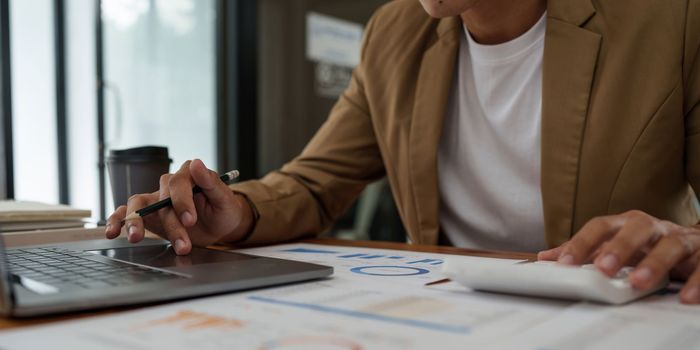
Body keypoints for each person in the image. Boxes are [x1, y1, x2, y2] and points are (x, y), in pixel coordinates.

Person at [105, 0, 700, 304]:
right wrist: (235, 211)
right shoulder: (396, 33)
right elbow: (315, 183)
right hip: (458, 315)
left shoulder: (672, 20)